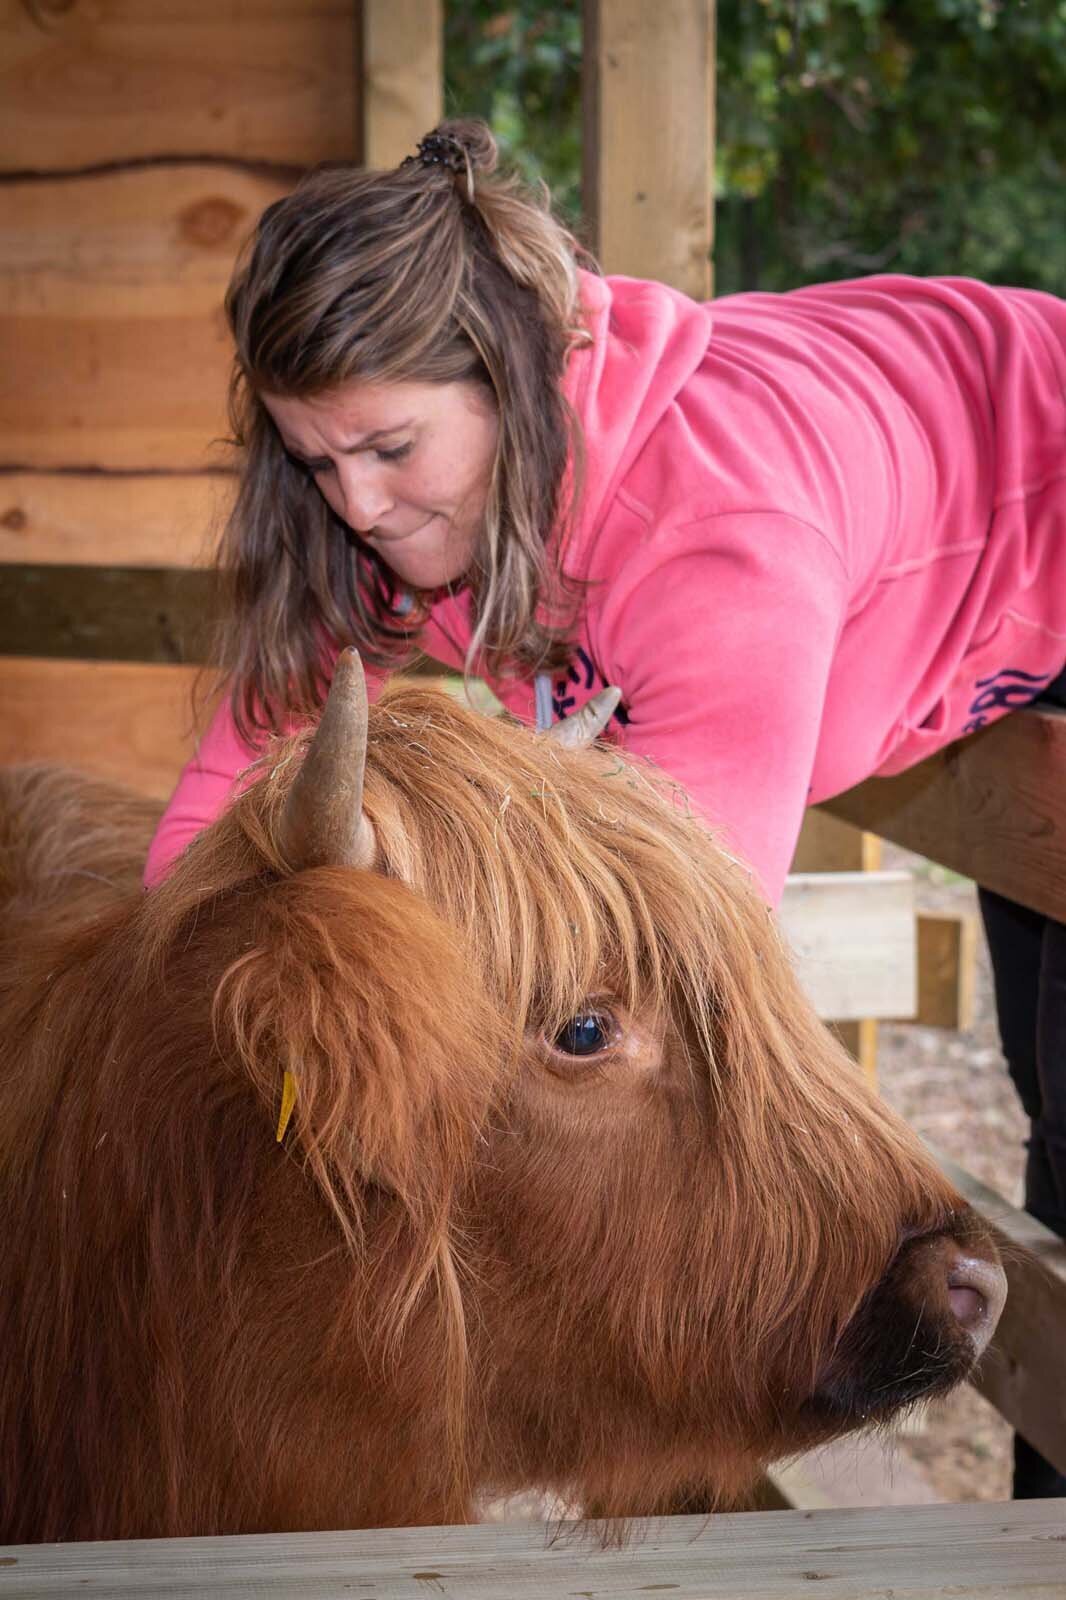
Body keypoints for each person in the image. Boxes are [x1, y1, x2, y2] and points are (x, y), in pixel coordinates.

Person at [144, 120, 1066, 1496]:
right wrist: (162, 1018)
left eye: (389, 449)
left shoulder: (719, 546)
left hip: (1034, 487)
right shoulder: (411, 501)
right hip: (927, 492)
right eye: (315, 462)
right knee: (1048, 1089)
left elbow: (668, 964)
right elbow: (243, 756)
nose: (359, 503)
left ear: (515, 384)